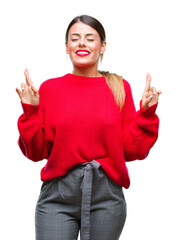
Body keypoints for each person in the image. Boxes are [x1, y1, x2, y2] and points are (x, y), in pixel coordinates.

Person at [16, 15, 161, 240]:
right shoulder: (50, 89)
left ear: (102, 46)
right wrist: (30, 110)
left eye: (90, 38)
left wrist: (147, 114)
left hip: (106, 197)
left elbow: (133, 151)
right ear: (67, 47)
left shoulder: (119, 88)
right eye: (75, 38)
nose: (82, 43)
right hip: (57, 196)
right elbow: (35, 153)